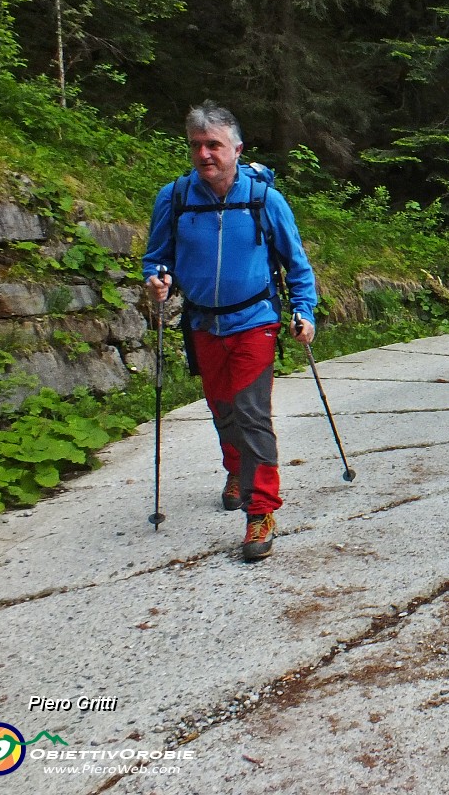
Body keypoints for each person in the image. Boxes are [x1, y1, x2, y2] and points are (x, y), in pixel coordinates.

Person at [143, 101, 317, 562]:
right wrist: (156, 278)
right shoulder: (175, 198)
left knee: (251, 411)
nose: (205, 154)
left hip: (255, 319)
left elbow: (296, 263)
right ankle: (235, 469)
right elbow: (156, 255)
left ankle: (260, 510)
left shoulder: (264, 199)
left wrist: (305, 311)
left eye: (214, 145)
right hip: (202, 321)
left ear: (236, 149)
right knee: (222, 408)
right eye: (197, 145)